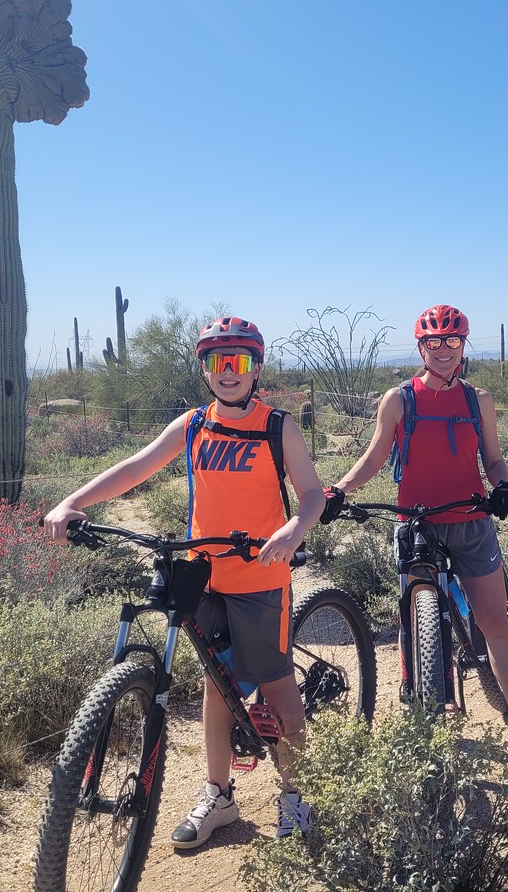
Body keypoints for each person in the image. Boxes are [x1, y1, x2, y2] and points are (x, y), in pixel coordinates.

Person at [43, 316, 324, 847]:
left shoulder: (276, 426)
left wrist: (292, 530)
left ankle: (294, 797)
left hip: (261, 575)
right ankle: (219, 795)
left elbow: (311, 494)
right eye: (217, 362)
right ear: (204, 369)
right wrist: (74, 502)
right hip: (203, 575)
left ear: (256, 367)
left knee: (279, 687)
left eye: (238, 362)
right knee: (217, 687)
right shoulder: (193, 424)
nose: (227, 372)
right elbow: (137, 467)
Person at [319, 304, 508, 720]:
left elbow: (493, 459)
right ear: (421, 348)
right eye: (434, 342)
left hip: (470, 520)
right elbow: (375, 455)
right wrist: (340, 488)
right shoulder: (398, 400)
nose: (444, 349)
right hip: (417, 525)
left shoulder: (478, 400)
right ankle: (420, 697)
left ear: (463, 345)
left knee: (494, 623)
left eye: (452, 340)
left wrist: (504, 486)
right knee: (416, 617)